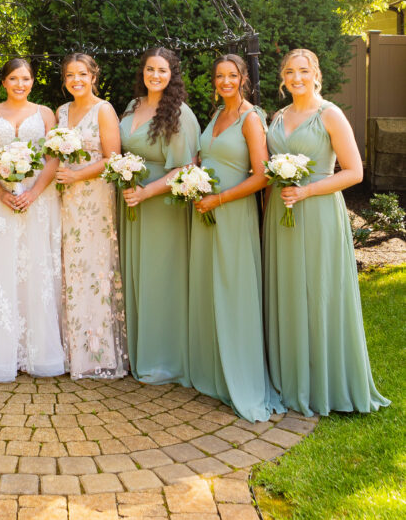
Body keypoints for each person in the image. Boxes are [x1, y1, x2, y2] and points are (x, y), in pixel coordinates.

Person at [264, 48, 389, 416]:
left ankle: (322, 383)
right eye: (289, 72)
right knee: (287, 290)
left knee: (318, 292)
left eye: (303, 71)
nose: (296, 77)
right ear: (283, 79)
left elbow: (354, 172)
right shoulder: (278, 115)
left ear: (315, 74)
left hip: (317, 211)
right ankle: (289, 379)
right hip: (280, 212)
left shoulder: (330, 114)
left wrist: (307, 190)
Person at [188, 55, 283, 421]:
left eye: (232, 75)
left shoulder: (251, 118)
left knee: (234, 289)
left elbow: (262, 176)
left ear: (244, 78)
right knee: (209, 287)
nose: (225, 81)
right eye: (219, 76)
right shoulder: (214, 116)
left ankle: (241, 377)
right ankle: (214, 371)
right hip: (204, 209)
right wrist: (193, 180)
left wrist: (220, 198)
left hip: (233, 211)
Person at [0, 57, 63, 381]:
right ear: (3, 82)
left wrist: (33, 192)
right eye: (14, 79)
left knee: (34, 270)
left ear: (33, 82)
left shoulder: (46, 114)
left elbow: (53, 157)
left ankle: (36, 352)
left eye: (26, 79)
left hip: (37, 198)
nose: (20, 84)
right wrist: (2, 192)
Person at [119, 47, 200, 385]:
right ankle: (135, 352)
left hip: (161, 203)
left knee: (160, 279)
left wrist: (147, 192)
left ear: (172, 75)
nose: (155, 75)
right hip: (130, 200)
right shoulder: (132, 106)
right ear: (143, 72)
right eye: (150, 69)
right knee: (134, 275)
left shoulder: (179, 114)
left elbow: (186, 168)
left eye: (162, 70)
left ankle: (165, 357)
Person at [55, 53, 127, 379]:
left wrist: (77, 176)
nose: (76, 80)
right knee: (69, 267)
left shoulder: (104, 109)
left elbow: (114, 158)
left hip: (94, 196)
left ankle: (97, 353)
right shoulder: (61, 111)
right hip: (64, 198)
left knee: (94, 268)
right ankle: (70, 351)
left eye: (82, 74)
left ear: (93, 75)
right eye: (70, 75)